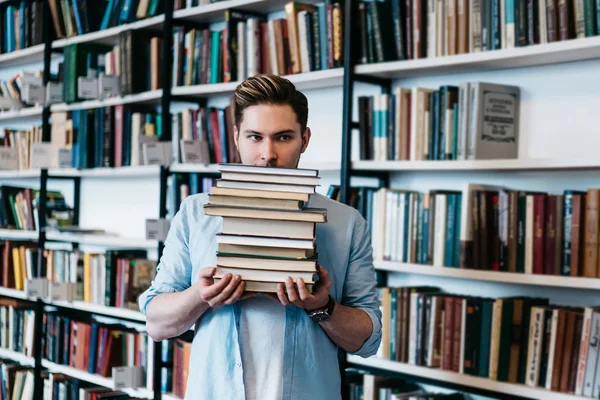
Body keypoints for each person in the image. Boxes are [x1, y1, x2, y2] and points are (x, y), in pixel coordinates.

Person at [139, 74, 382, 400]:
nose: (268, 153)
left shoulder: (346, 222)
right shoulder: (196, 213)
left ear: (304, 139)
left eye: (283, 137)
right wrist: (201, 295)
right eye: (255, 137)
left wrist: (321, 306)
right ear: (237, 136)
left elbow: (367, 339)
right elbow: (156, 323)